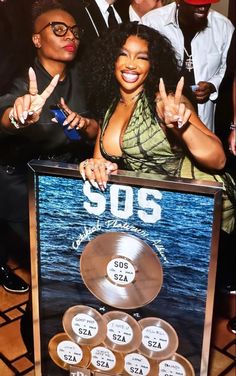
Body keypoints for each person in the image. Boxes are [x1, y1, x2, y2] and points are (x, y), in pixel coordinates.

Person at [78, 22, 235, 236]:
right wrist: (91, 167)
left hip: (203, 211)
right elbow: (100, 162)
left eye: (142, 57)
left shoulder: (164, 100)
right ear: (111, 60)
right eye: (123, 55)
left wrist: (182, 126)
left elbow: (218, 159)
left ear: (153, 64)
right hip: (160, 214)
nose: (131, 64)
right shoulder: (110, 106)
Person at [0, 0, 98, 293]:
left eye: (74, 31)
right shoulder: (21, 77)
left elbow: (97, 127)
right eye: (59, 30)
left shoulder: (84, 77)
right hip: (18, 177)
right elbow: (5, 115)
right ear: (37, 39)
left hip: (61, 172)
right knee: (46, 248)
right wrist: (18, 117)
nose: (71, 36)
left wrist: (85, 125)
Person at [140, 0, 235, 133]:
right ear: (178, 1)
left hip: (203, 119)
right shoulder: (152, 22)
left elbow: (227, 68)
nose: (203, 7)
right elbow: (141, 66)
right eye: (196, 2)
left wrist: (213, 85)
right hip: (160, 119)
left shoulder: (223, 27)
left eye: (208, 2)